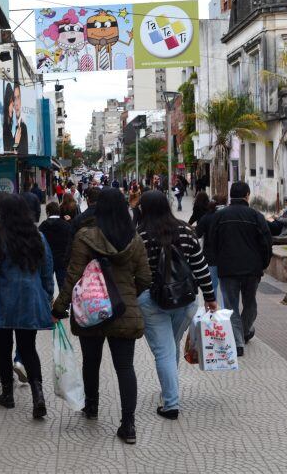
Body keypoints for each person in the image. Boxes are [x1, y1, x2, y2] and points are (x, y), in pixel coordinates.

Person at [53, 189, 151, 444]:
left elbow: (72, 275)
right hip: (124, 311)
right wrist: (127, 295)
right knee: (125, 367)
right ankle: (128, 424)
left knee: (91, 361)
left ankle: (92, 406)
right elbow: (145, 278)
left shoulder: (85, 237)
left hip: (91, 310)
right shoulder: (135, 239)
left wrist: (58, 307)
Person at [136, 190, 218, 421]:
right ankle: (168, 392)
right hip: (185, 300)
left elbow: (136, 272)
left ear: (145, 209)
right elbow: (201, 267)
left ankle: (171, 403)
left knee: (164, 350)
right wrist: (210, 298)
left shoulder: (140, 235)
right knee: (170, 345)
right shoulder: (185, 230)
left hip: (151, 301)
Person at [0, 194, 55, 418]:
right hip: (30, 300)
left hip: (3, 300)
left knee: (3, 348)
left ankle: (7, 395)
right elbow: (48, 270)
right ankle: (38, 395)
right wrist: (47, 297)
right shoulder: (38, 236)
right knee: (28, 348)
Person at [210, 182, 273, 357]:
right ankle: (243, 333)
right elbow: (267, 243)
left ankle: (238, 340)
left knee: (231, 306)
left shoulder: (220, 216)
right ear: (247, 195)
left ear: (231, 195)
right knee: (250, 302)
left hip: (228, 269)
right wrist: (263, 264)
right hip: (252, 269)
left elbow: (211, 242)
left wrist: (217, 262)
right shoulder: (256, 216)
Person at [196, 195, 227, 304]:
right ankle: (225, 313)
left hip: (210, 256)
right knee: (225, 289)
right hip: (227, 257)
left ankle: (213, 314)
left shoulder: (207, 217)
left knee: (212, 286)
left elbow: (197, 234)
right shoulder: (228, 216)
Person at [38, 202, 72, 289]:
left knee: (46, 285)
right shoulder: (66, 225)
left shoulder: (42, 226)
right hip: (62, 260)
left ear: (47, 212)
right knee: (63, 285)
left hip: (47, 260)